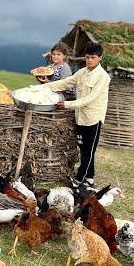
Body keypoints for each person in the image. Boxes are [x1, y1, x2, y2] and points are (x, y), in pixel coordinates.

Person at [40, 42, 110, 189]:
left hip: (93, 118)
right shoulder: (82, 72)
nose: (89, 60)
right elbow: (65, 83)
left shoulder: (103, 77)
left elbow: (90, 98)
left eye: (92, 57)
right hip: (80, 116)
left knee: (88, 151)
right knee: (84, 148)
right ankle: (90, 178)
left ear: (100, 58)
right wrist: (44, 87)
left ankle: (79, 179)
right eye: (87, 57)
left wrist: (67, 104)